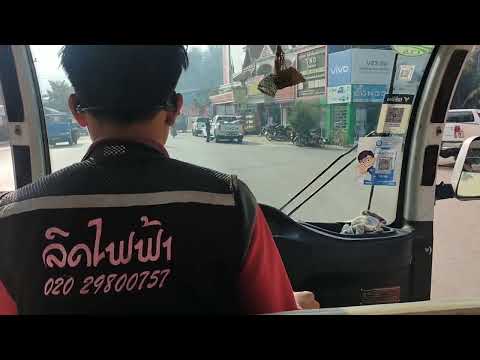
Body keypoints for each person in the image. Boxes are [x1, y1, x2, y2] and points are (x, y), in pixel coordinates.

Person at [0, 45, 318, 315]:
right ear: (175, 109)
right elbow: (277, 310)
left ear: (76, 110)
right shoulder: (229, 202)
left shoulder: (11, 220)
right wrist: (292, 304)